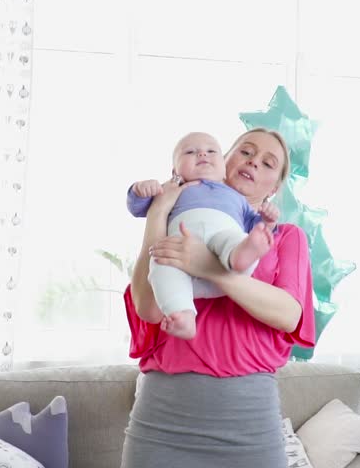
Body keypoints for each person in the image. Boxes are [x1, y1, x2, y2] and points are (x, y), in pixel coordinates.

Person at [121, 128, 315, 468]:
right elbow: (149, 309)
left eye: (268, 163)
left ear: (274, 188)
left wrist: (209, 268)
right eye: (246, 152)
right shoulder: (176, 220)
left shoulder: (285, 237)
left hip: (250, 424)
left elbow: (288, 315)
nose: (253, 162)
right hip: (162, 421)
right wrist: (158, 213)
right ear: (225, 160)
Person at [126, 131, 280, 340]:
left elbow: (256, 227)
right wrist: (140, 190)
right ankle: (182, 314)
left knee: (237, 241)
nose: (202, 154)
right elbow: (138, 207)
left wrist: (267, 221)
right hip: (179, 256)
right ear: (175, 170)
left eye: (210, 151)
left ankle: (239, 258)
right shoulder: (171, 190)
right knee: (160, 263)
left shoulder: (237, 200)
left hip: (223, 255)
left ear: (222, 167)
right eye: (190, 152)